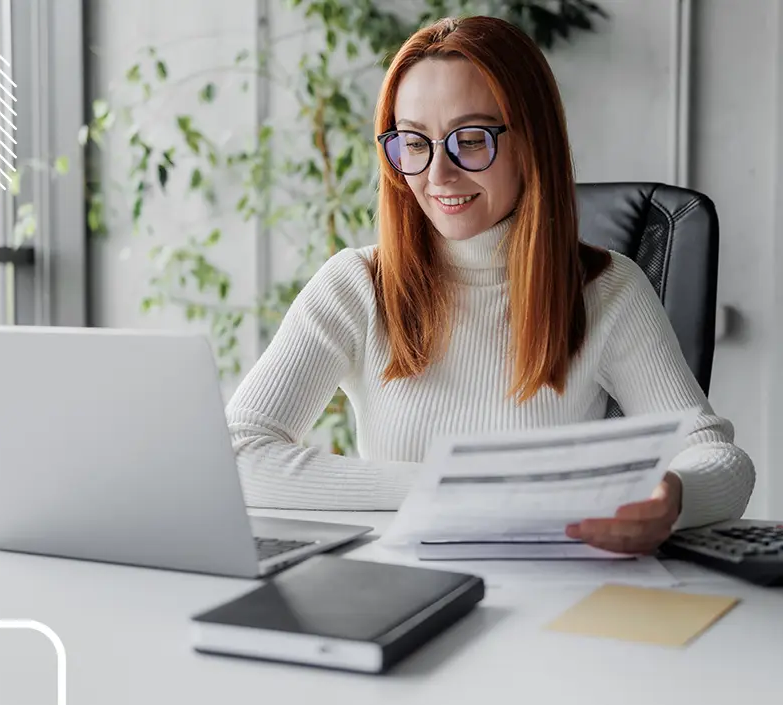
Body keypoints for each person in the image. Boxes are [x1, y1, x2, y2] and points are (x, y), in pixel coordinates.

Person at [225, 15, 755, 555]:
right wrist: (471, 490)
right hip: (402, 589)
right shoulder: (355, 286)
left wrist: (675, 496)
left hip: (556, 598)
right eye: (413, 142)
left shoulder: (607, 290)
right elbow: (237, 454)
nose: (437, 176)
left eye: (471, 140)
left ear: (531, 141)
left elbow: (718, 459)